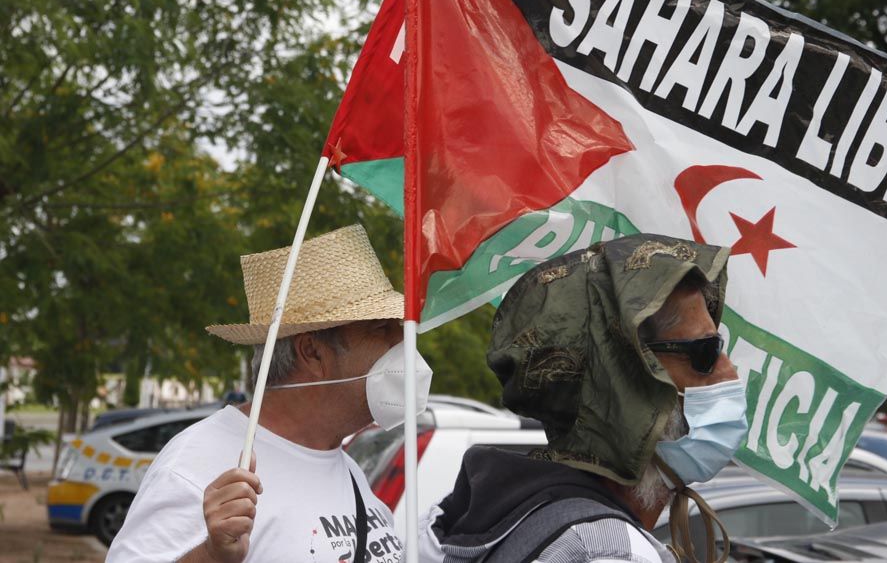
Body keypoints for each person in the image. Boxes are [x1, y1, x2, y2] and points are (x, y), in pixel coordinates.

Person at [108, 224, 432, 563]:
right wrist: (210, 555)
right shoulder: (196, 464)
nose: (403, 342)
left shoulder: (346, 466)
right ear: (313, 353)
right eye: (382, 328)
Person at [418, 234, 747, 563]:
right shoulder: (606, 551)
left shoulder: (497, 515)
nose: (729, 371)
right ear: (624, 384)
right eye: (706, 352)